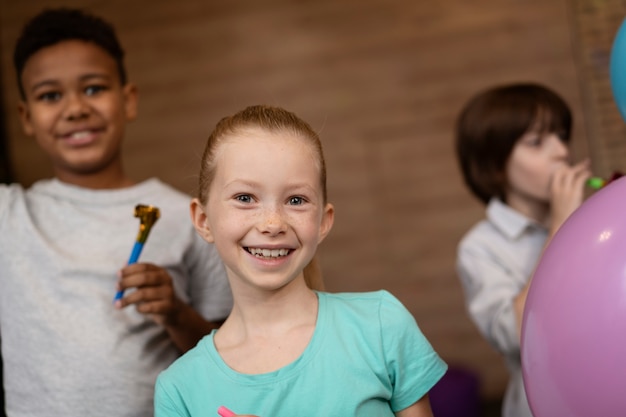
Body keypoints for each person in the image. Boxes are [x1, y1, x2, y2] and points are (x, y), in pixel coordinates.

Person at [0, 8, 234, 416]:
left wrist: (176, 313)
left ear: (128, 100)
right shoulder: (10, 215)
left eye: (93, 88)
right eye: (50, 95)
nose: (74, 109)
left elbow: (234, 357)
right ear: (26, 118)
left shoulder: (190, 219)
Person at [154, 105, 447, 416]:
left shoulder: (381, 325)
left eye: (296, 200)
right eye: (244, 198)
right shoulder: (179, 390)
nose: (272, 223)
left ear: (323, 221)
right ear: (203, 220)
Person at [454, 83, 592, 417]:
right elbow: (516, 334)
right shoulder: (480, 248)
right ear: (496, 165)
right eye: (536, 142)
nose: (561, 151)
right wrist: (561, 227)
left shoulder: (591, 222)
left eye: (561, 136)